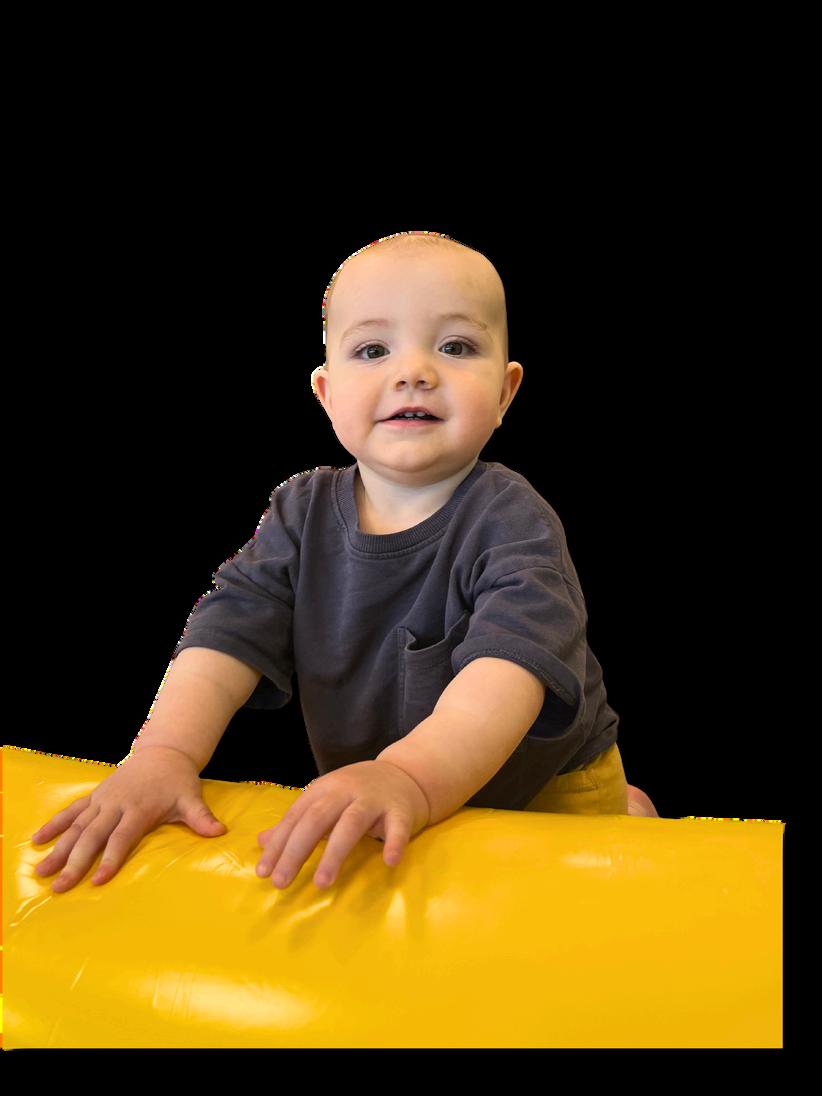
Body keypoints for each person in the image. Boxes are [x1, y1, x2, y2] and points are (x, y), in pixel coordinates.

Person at [30, 230, 658, 898]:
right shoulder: (298, 511)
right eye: (373, 350)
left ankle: (625, 808)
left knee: (582, 897)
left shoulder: (513, 520)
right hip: (386, 786)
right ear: (327, 395)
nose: (414, 372)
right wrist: (163, 753)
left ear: (505, 393)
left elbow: (508, 675)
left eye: (455, 347)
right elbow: (226, 634)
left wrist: (409, 777)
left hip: (543, 790)